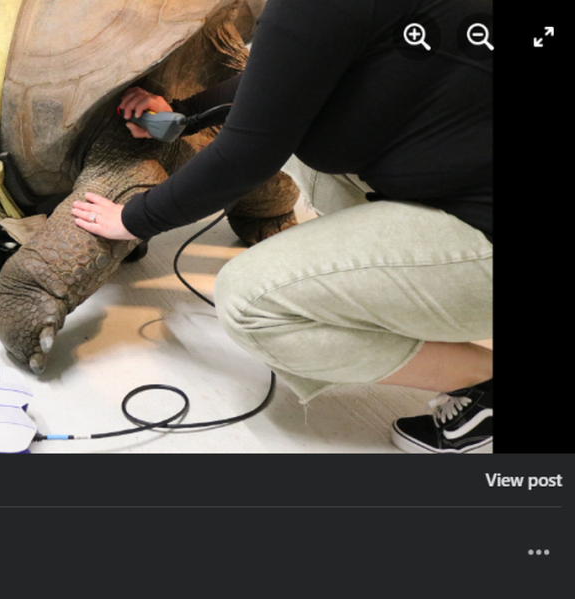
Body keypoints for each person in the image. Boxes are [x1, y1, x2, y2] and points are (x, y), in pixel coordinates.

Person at [70, 0, 493, 453]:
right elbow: (290, 77)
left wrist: (134, 218)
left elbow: (245, 157)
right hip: (467, 169)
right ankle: (383, 292)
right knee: (316, 165)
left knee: (251, 301)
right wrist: (181, 112)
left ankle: (482, 382)